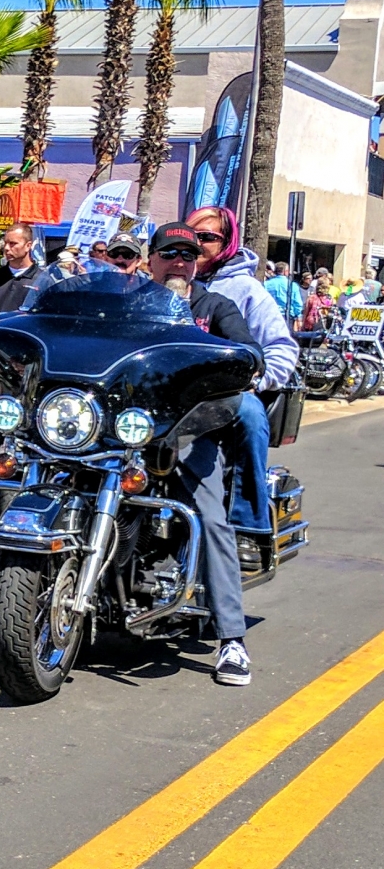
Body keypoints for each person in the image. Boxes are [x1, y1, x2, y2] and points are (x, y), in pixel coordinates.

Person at [147, 221, 261, 687]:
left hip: (189, 431)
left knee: (209, 518)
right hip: (122, 429)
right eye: (169, 253)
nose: (179, 262)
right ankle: (16, 612)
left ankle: (232, 639)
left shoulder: (214, 306)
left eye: (188, 255)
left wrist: (234, 362)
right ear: (150, 259)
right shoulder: (127, 305)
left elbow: (248, 350)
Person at [186, 204, 299, 537]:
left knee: (249, 416)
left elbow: (282, 347)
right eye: (191, 235)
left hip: (224, 394)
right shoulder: (166, 280)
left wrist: (254, 381)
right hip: (168, 393)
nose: (197, 243)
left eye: (207, 237)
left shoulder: (246, 290)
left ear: (226, 243)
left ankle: (248, 526)